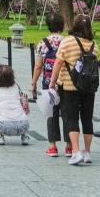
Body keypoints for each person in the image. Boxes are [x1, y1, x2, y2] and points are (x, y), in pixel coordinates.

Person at [49, 14, 98, 166]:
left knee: (71, 119)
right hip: (89, 88)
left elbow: (58, 63)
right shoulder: (94, 44)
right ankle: (87, 152)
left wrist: (52, 82)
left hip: (70, 87)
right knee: (87, 119)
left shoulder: (68, 41)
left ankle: (76, 152)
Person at [31, 12, 66, 157]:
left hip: (48, 84)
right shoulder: (67, 41)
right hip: (65, 83)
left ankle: (52, 147)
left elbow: (38, 66)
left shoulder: (43, 43)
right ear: (62, 26)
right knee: (67, 114)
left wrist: (33, 83)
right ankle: (70, 146)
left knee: (51, 113)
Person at [0, 65, 30, 146]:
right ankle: (24, 137)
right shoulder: (16, 88)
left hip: (4, 127)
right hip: (23, 126)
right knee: (21, 109)